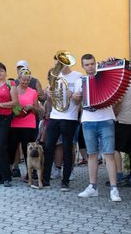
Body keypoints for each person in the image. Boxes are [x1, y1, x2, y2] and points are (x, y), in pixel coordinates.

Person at [75, 54, 121, 202]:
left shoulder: (105, 78)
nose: (90, 67)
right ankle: (92, 187)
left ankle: (114, 189)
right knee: (92, 154)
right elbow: (76, 102)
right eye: (87, 64)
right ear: (83, 66)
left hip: (106, 119)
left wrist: (112, 63)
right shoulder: (79, 81)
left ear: (95, 64)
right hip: (88, 121)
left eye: (92, 64)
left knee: (109, 154)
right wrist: (76, 96)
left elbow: (117, 92)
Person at [40, 54, 83, 190]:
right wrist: (50, 95)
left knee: (67, 148)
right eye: (57, 62)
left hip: (70, 117)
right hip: (55, 115)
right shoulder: (55, 75)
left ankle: (65, 181)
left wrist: (72, 95)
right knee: (48, 147)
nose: (58, 65)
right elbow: (52, 101)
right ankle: (45, 179)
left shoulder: (78, 76)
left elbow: (78, 99)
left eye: (61, 62)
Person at [8, 67, 40, 180]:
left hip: (29, 125)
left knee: (29, 150)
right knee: (12, 149)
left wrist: (32, 107)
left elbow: (37, 110)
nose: (26, 82)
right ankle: (9, 171)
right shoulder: (13, 90)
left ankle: (30, 173)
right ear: (19, 78)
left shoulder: (33, 92)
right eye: (23, 80)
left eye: (28, 80)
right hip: (14, 124)